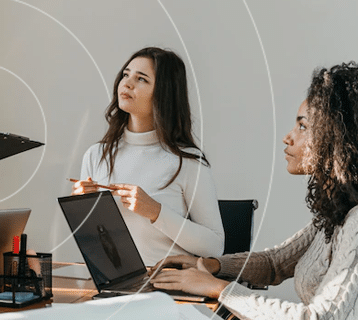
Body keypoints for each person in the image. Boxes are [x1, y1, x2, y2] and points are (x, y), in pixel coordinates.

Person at [151, 62, 358, 319]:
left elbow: (319, 318)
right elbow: (275, 263)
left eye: (302, 127)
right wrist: (210, 265)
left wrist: (219, 288)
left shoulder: (355, 223)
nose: (288, 137)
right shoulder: (335, 213)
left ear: (337, 138)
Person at [70, 47, 224, 265]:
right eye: (126, 75)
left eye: (141, 79)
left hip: (167, 281)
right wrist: (81, 208)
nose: (127, 83)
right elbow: (91, 241)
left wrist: (155, 211)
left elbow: (214, 246)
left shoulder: (188, 162)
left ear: (164, 93)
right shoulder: (96, 155)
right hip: (109, 281)